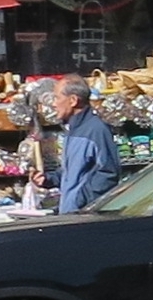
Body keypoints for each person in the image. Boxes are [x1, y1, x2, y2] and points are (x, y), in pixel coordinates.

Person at [44, 76, 118, 213]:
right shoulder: (72, 130)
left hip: (83, 217)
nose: (54, 104)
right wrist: (47, 179)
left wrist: (80, 201)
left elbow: (108, 174)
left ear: (73, 100)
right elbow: (72, 173)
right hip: (70, 215)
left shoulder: (96, 130)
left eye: (57, 98)